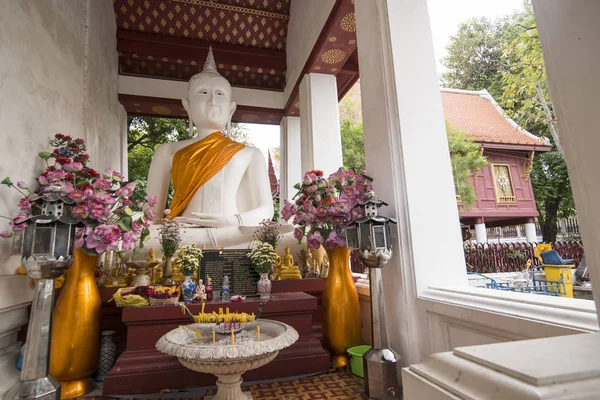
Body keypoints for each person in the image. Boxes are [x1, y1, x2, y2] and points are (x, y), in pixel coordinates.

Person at [140, 48, 274, 257]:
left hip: (231, 231)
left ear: (231, 109)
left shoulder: (250, 154)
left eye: (219, 94)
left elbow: (267, 210)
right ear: (187, 105)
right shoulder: (167, 151)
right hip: (184, 233)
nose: (212, 100)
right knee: (139, 244)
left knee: (288, 239)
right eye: (203, 92)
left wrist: (233, 220)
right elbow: (151, 215)